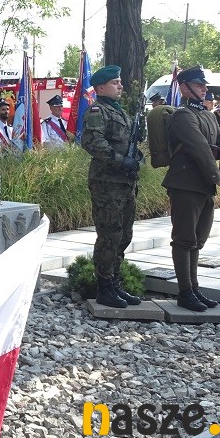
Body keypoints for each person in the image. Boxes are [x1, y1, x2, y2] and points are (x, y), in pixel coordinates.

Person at [162, 66, 220, 312]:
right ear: (184, 88)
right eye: (198, 85)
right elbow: (198, 147)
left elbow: (214, 146)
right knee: (184, 239)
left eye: (204, 85)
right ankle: (185, 292)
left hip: (203, 185)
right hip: (185, 183)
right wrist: (217, 176)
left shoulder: (208, 115)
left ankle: (194, 288)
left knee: (198, 240)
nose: (204, 89)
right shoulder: (183, 115)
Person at [80, 65, 142, 308]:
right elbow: (92, 142)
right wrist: (120, 161)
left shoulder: (120, 112)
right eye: (115, 82)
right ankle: (104, 287)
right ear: (101, 87)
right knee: (110, 235)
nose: (120, 86)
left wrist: (135, 158)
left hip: (125, 182)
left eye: (119, 81)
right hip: (107, 183)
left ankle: (115, 282)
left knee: (124, 234)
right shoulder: (98, 111)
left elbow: (127, 143)